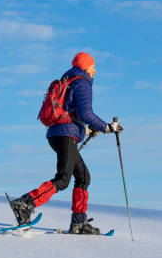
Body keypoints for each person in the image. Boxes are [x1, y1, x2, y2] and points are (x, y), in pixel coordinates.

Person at [10, 52, 123, 234]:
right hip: (64, 135)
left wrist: (85, 130)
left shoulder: (69, 81)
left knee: (83, 176)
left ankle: (79, 222)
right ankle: (25, 203)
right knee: (63, 179)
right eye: (93, 66)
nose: (95, 70)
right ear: (86, 66)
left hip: (58, 133)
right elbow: (86, 114)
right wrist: (107, 127)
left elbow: (71, 114)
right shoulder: (82, 82)